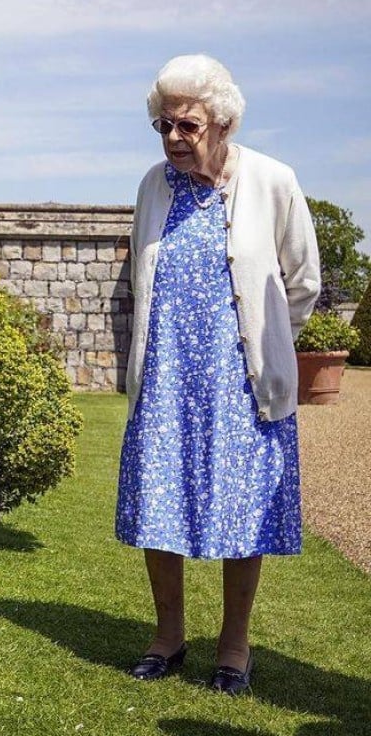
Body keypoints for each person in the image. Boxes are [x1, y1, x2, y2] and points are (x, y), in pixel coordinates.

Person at [115, 54, 320, 695]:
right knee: (158, 505)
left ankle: (234, 646)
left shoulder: (273, 181)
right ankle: (168, 636)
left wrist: (268, 343)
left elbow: (303, 283)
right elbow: (140, 276)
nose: (174, 138)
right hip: (166, 378)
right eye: (164, 125)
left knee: (244, 510)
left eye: (188, 125)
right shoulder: (153, 187)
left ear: (223, 123)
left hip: (241, 384)